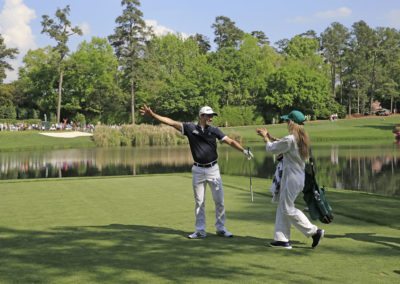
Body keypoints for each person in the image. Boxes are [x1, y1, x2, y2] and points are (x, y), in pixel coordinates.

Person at [140, 105, 254, 239]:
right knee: (199, 202)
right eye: (208, 115)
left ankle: (221, 228)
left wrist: (243, 151)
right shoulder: (190, 128)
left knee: (219, 201)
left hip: (213, 170)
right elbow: (170, 122)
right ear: (201, 116)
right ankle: (200, 230)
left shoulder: (214, 130)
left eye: (212, 115)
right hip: (198, 170)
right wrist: (153, 115)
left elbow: (230, 141)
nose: (211, 117)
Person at [256, 110, 324, 249]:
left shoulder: (290, 139)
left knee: (287, 208)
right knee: (283, 207)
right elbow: (282, 143)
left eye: (288, 121)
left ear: (292, 122)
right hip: (297, 177)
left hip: (291, 178)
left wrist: (265, 138)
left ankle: (314, 231)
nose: (286, 123)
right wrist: (270, 136)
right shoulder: (301, 138)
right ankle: (281, 239)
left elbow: (271, 149)